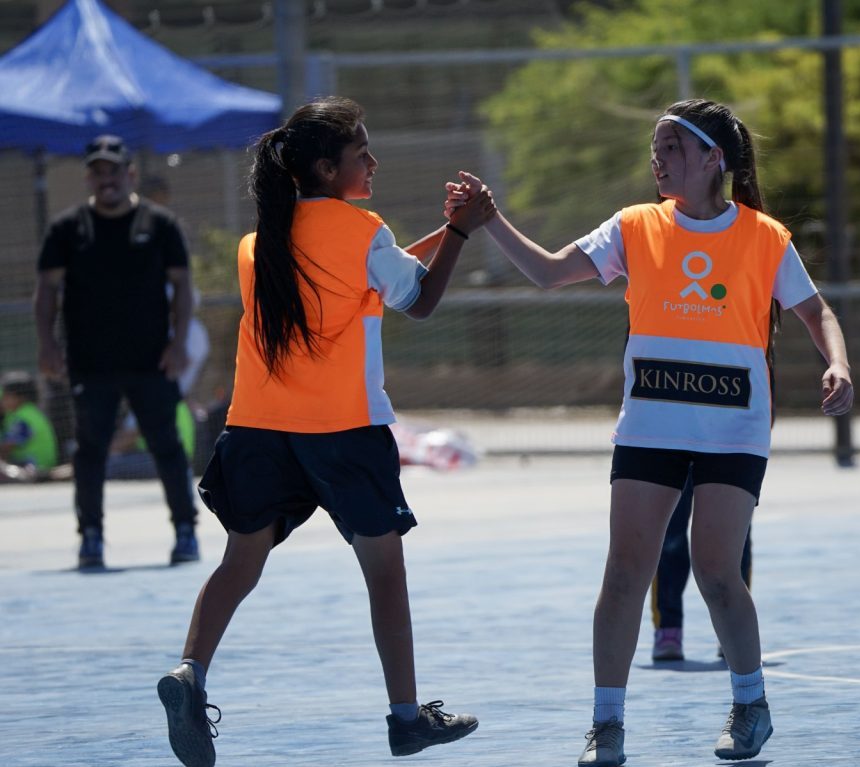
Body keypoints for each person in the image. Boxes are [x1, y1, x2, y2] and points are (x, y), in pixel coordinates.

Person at [446, 98, 854, 764]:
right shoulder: (635, 226)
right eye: (655, 147)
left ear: (711, 160)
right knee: (624, 571)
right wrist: (490, 221)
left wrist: (837, 361)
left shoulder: (765, 237)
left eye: (671, 147)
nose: (656, 158)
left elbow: (816, 311)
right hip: (653, 422)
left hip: (733, 425)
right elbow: (549, 271)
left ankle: (750, 705)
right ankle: (607, 724)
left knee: (716, 569)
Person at [156, 96, 495, 767]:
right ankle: (406, 718)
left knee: (239, 562)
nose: (372, 160)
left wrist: (446, 229)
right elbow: (418, 298)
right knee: (385, 575)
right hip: (343, 428)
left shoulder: (261, 244)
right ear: (322, 166)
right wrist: (460, 232)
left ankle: (190, 671)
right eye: (359, 152)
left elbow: (381, 272)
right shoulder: (362, 231)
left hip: (257, 428)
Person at [34, 134, 200, 569]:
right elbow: (47, 290)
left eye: (114, 171)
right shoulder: (67, 229)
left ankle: (185, 529)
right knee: (90, 449)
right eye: (97, 171)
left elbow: (182, 287)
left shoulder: (161, 225)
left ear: (129, 174)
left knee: (166, 444)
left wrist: (178, 343)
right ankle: (91, 536)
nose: (106, 179)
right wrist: (48, 344)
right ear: (88, 177)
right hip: (91, 361)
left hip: (152, 358)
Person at [650, 472, 752, 661]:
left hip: (728, 449)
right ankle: (668, 628)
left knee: (733, 538)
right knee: (670, 535)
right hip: (676, 447)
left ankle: (733, 627)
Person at [0, 371, 59, 483]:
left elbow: (6, 447)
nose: (2, 400)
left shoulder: (24, 417)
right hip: (33, 465)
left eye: (6, 396)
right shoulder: (29, 412)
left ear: (19, 397)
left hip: (34, 466)